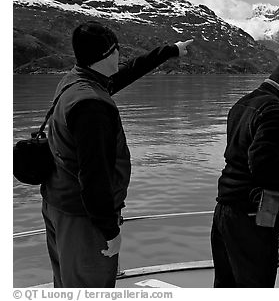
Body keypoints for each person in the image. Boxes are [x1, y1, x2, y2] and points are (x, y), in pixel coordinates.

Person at [42, 21, 193, 287]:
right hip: (84, 220)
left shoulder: (77, 80)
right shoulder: (92, 107)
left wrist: (170, 50)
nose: (120, 55)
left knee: (66, 285)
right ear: (107, 55)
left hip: (58, 205)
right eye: (116, 50)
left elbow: (126, 73)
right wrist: (110, 232)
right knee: (91, 287)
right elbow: (94, 177)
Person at [210, 58, 279, 287]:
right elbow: (265, 167)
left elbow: (245, 154)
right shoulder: (275, 110)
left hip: (225, 209)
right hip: (252, 217)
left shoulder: (243, 103)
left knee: (226, 286)